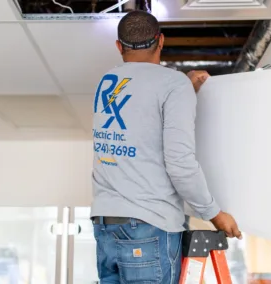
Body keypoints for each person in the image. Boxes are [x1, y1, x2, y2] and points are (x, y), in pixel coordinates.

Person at [90, 10, 241, 284]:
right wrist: (214, 214)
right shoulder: (172, 85)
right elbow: (180, 163)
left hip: (105, 226)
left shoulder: (107, 82)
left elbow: (140, 115)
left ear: (118, 46)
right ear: (161, 41)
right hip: (147, 226)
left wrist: (183, 88)